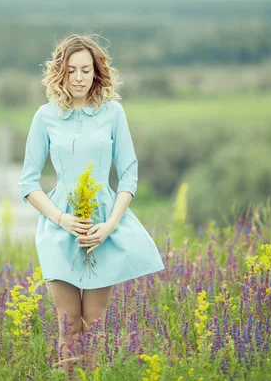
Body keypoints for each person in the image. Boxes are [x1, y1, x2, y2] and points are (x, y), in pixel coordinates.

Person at [18, 34, 165, 373]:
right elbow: (28, 182)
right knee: (69, 326)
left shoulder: (113, 113)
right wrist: (61, 219)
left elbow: (128, 174)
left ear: (97, 71)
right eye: (72, 70)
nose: (80, 77)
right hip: (59, 228)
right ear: (61, 74)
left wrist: (110, 225)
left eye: (86, 69)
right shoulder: (45, 116)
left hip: (102, 226)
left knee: (93, 326)